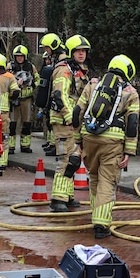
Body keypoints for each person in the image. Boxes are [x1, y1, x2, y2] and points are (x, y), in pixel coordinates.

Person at [72, 54, 140, 239]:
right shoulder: (130, 91)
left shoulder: (94, 84)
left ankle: (96, 215)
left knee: (94, 177)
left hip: (89, 138)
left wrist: (78, 140)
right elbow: (132, 122)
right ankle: (101, 225)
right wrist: (129, 151)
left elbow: (77, 111)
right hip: (112, 142)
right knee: (107, 181)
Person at [49, 34, 93, 212]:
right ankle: (57, 199)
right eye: (78, 51)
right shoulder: (64, 70)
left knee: (73, 159)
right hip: (63, 121)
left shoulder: (80, 70)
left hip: (74, 122)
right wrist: (70, 119)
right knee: (65, 158)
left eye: (84, 51)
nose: (81, 54)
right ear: (70, 52)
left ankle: (67, 196)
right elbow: (60, 96)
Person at [37, 33, 63, 156]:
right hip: (55, 94)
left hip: (60, 94)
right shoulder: (56, 58)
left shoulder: (62, 59)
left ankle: (57, 147)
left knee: (58, 123)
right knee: (53, 122)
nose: (46, 51)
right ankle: (54, 146)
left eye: (47, 48)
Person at [9, 45, 37, 154]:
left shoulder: (31, 67)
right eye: (17, 56)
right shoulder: (10, 67)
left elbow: (37, 79)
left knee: (27, 123)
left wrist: (33, 85)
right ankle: (11, 147)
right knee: (12, 124)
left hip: (27, 99)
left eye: (21, 56)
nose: (19, 58)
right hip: (14, 99)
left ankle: (25, 146)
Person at [0, 54, 21, 167]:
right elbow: (16, 92)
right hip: (4, 112)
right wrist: (11, 99)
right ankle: (2, 162)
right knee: (4, 137)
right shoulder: (9, 76)